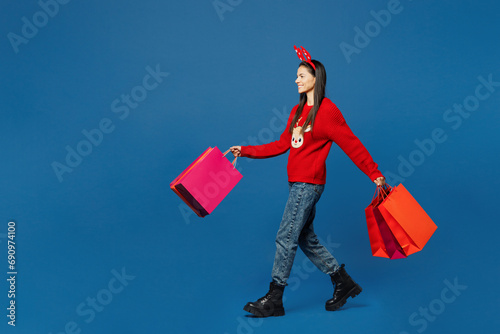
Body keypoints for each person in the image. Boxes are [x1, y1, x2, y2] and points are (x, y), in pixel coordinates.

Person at [230, 46, 385, 317]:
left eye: (301, 75)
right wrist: (245, 150)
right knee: (304, 238)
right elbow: (281, 144)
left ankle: (275, 298)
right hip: (296, 183)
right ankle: (342, 282)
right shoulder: (297, 111)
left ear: (316, 78)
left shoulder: (327, 111)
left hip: (308, 184)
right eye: (297, 76)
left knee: (285, 237)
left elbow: (352, 144)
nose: (296, 80)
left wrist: (374, 173)